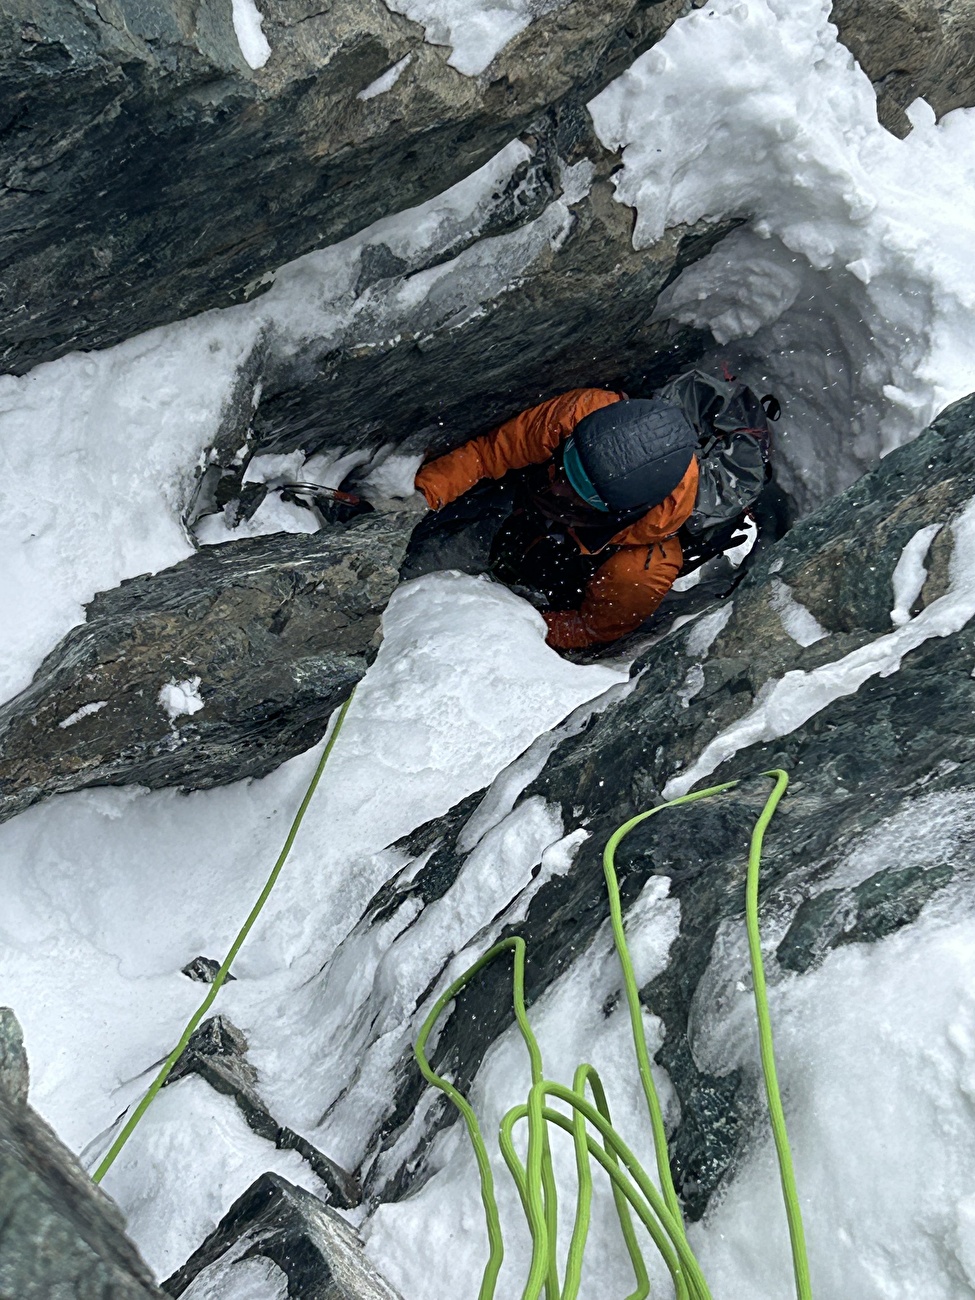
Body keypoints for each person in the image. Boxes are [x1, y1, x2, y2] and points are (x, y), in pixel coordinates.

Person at [407, 378, 776, 650]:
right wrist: (420, 496)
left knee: (553, 567)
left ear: (624, 510)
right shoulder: (578, 415)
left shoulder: (642, 567)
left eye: (582, 491)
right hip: (573, 528)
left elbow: (590, 629)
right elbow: (491, 452)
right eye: (569, 465)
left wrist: (517, 623)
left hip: (590, 564)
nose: (559, 485)